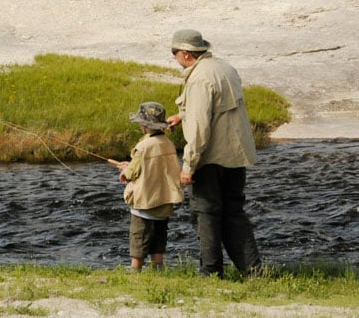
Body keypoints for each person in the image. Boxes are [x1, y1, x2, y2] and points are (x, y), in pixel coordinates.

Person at [166, 29, 262, 277]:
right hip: (235, 156)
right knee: (234, 212)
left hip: (210, 159)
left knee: (205, 214)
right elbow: (216, 109)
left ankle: (210, 273)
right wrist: (183, 115)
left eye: (175, 53)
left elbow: (199, 130)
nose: (175, 58)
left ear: (186, 54)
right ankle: (252, 272)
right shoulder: (224, 68)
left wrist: (188, 167)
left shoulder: (199, 79)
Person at [112, 102, 184, 271]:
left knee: (138, 245)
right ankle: (157, 271)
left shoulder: (142, 147)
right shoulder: (168, 143)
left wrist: (125, 171)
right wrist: (130, 165)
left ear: (144, 126)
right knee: (158, 243)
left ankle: (135, 274)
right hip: (164, 204)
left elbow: (131, 174)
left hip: (144, 206)